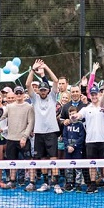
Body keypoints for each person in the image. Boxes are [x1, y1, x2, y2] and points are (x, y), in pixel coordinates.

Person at [26, 59, 62, 193]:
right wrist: (32, 69)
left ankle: (56, 183)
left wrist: (46, 67)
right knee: (42, 158)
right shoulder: (34, 99)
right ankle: (46, 183)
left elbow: (56, 81)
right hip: (39, 132)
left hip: (52, 132)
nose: (42, 91)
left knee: (53, 158)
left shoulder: (52, 97)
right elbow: (28, 84)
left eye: (44, 89)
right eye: (41, 90)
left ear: (48, 90)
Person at [0, 86, 36, 190]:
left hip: (23, 140)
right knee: (12, 161)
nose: (19, 95)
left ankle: (32, 182)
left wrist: (24, 137)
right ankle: (12, 181)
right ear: (15, 94)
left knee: (29, 161)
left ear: (24, 94)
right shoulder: (9, 107)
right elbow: (2, 116)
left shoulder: (29, 107)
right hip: (11, 139)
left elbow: (30, 123)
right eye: (17, 93)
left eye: (20, 93)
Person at [62, 106, 86, 191]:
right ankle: (69, 183)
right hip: (68, 149)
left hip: (77, 149)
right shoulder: (66, 125)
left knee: (78, 167)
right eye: (70, 114)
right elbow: (64, 136)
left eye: (74, 113)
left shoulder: (80, 125)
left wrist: (74, 146)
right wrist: (67, 146)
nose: (72, 115)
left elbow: (82, 137)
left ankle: (78, 183)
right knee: (68, 166)